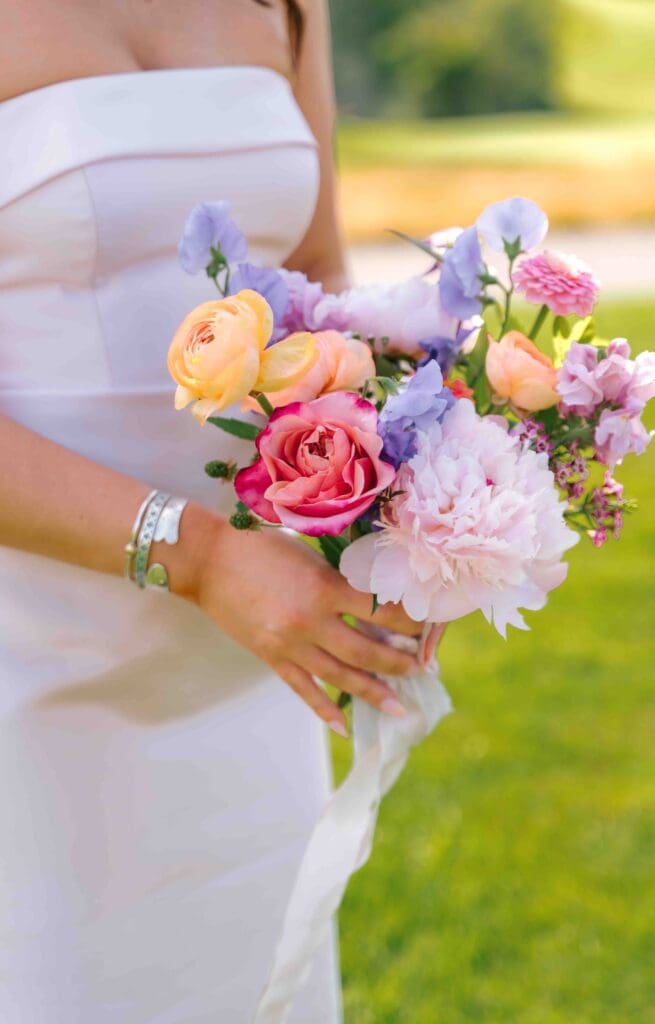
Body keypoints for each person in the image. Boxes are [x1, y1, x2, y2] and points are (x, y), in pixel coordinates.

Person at [0, 2, 422, 1020]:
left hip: (246, 658)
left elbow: (316, 276)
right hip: (30, 673)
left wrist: (390, 516)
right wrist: (195, 556)